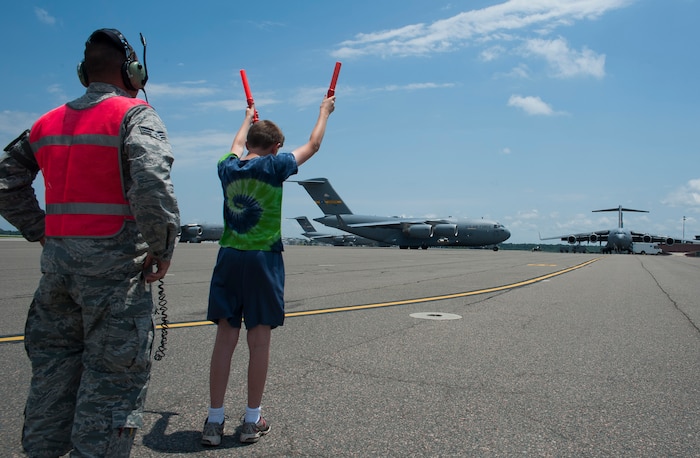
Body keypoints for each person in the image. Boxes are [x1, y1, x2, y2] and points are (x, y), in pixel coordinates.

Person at [0, 28, 180, 456]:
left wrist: (43, 231)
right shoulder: (135, 115)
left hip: (57, 277)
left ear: (84, 72)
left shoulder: (44, 123)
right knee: (113, 384)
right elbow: (152, 182)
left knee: (52, 376)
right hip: (114, 280)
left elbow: (6, 183)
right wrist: (162, 246)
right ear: (133, 72)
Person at [201, 94, 335, 446]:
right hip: (263, 260)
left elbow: (233, 146)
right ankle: (251, 420)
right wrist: (324, 112)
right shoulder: (275, 166)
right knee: (259, 342)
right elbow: (314, 145)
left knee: (224, 340)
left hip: (229, 258)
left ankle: (214, 422)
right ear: (276, 148)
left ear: (248, 142)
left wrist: (246, 118)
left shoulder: (226, 167)